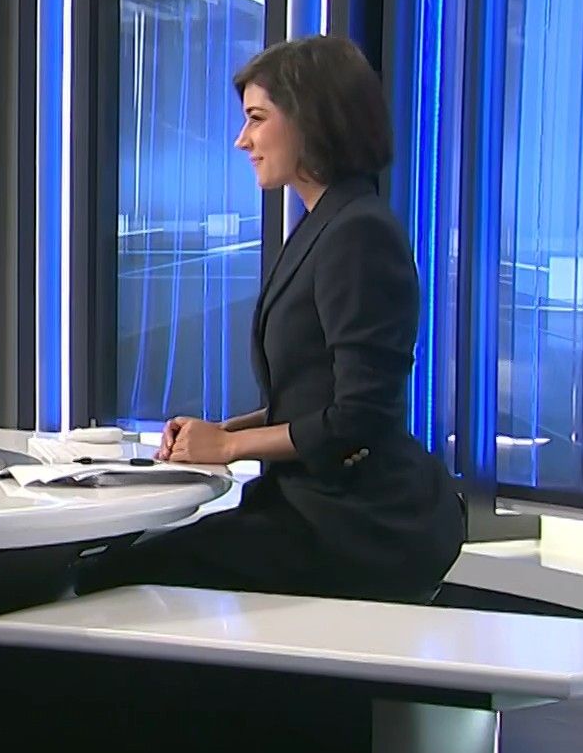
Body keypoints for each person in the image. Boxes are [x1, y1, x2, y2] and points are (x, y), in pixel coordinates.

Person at [80, 35, 464, 602]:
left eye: (257, 119)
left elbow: (360, 418)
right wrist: (220, 432)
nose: (243, 140)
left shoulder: (359, 233)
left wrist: (229, 448)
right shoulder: (326, 222)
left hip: (357, 525)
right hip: (310, 509)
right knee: (109, 568)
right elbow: (312, 398)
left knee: (106, 582)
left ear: (311, 119)